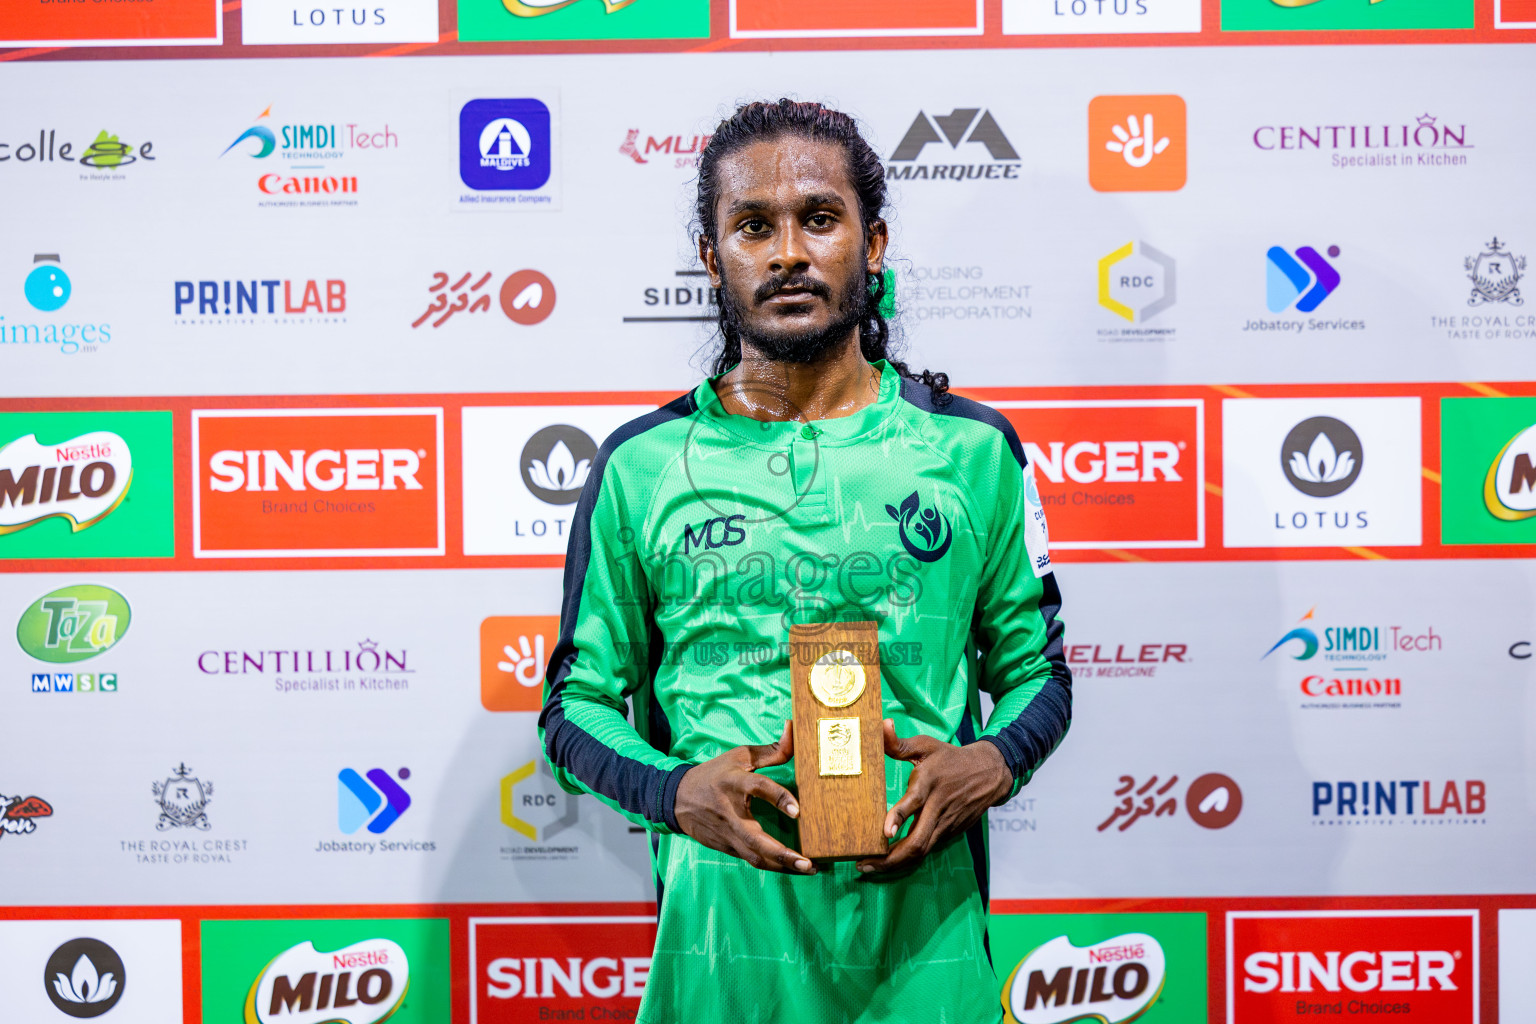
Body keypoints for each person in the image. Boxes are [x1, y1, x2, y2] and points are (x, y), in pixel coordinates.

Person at [539, 98, 1072, 1024]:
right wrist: (673, 791)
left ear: (873, 247)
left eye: (819, 219)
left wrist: (992, 760)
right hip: (720, 960)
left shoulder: (975, 451)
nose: (788, 251)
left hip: (925, 958)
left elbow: (1041, 673)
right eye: (753, 226)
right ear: (713, 260)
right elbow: (572, 708)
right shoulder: (640, 469)